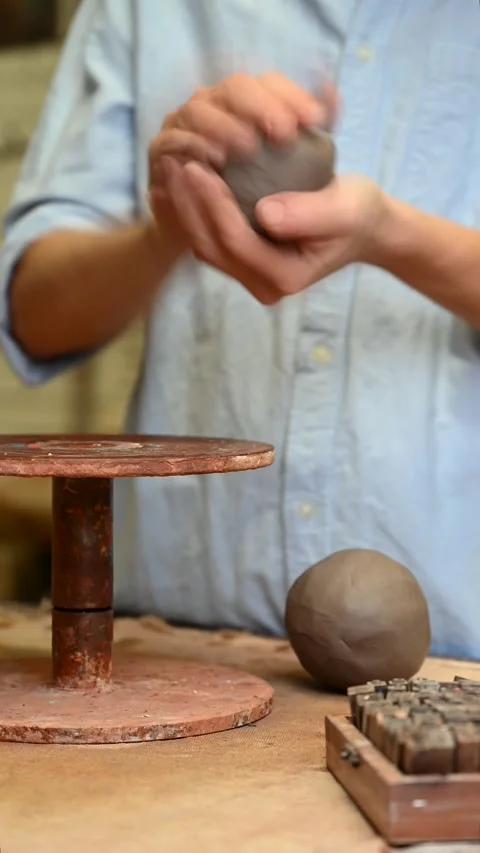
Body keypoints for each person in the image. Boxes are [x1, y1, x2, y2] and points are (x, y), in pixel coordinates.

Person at [1, 0, 480, 658]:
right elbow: (33, 314)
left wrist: (395, 237)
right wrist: (170, 225)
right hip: (167, 650)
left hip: (453, 669)